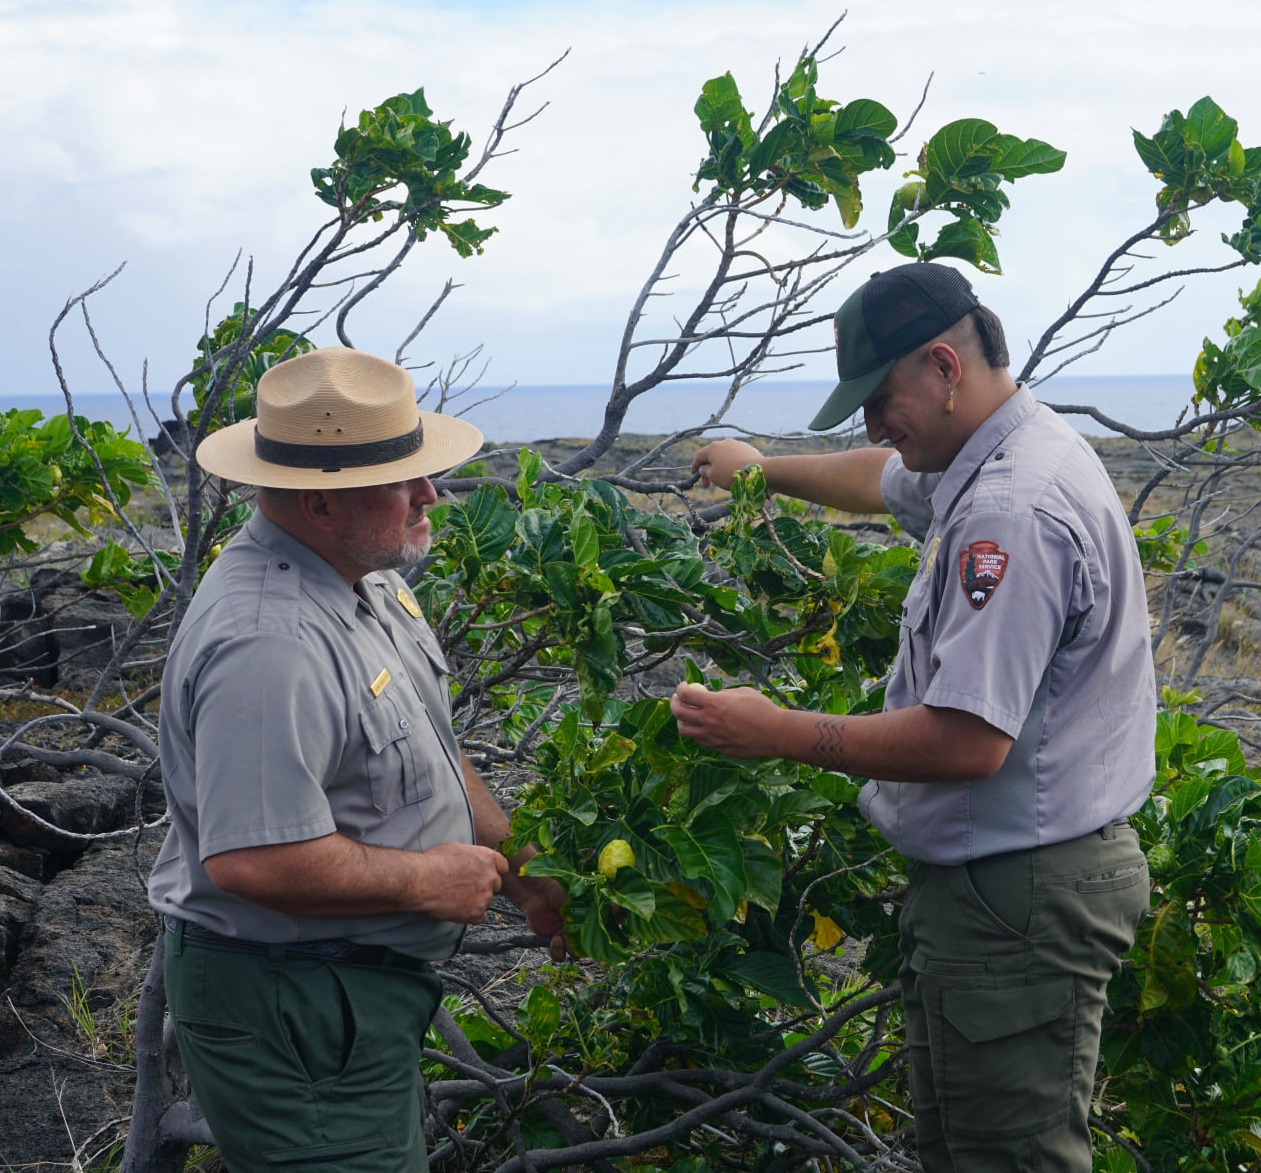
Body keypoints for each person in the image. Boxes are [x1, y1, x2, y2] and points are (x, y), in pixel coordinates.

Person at [670, 263, 1154, 1172]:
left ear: (942, 364)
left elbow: (967, 741)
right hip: (1001, 884)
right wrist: (761, 472)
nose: (873, 423)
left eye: (880, 397)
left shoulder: (1011, 509)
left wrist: (774, 730)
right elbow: (881, 476)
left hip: (1018, 892)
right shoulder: (997, 450)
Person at [148, 346, 567, 1173]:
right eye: (402, 479)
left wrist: (522, 873)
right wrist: (426, 881)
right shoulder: (269, 642)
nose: (430, 495)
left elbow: (431, 754)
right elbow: (251, 858)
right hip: (291, 1007)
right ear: (318, 502)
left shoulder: (364, 577)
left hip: (341, 995)